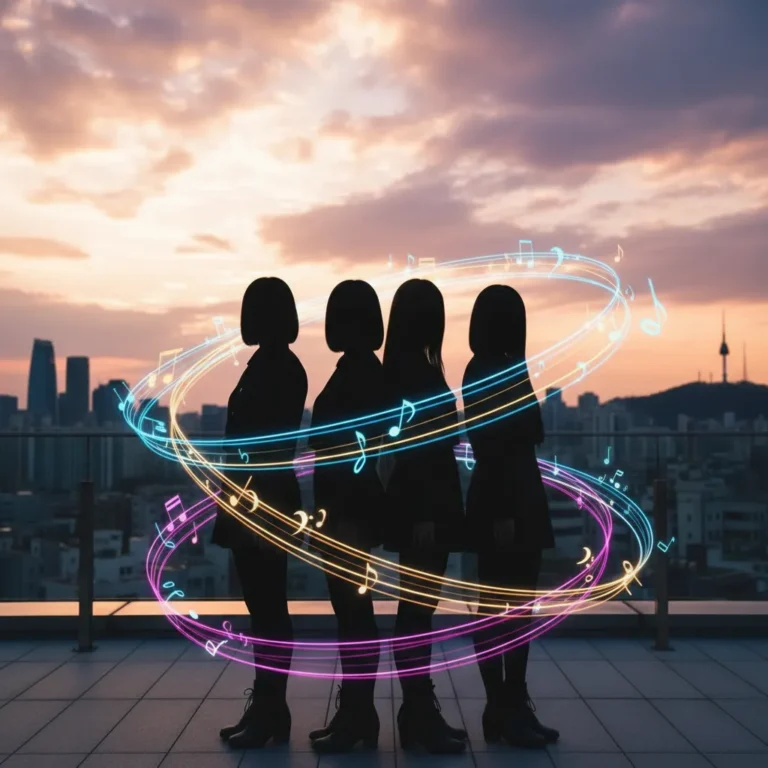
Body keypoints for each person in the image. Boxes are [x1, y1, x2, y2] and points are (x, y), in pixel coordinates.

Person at [461, 284, 559, 749]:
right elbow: (496, 443)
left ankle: (506, 706)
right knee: (509, 609)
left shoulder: (493, 368)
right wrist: (503, 511)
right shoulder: (492, 371)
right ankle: (505, 706)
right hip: (509, 499)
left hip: (513, 496)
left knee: (512, 608)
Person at [213, 277, 308, 749]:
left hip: (261, 503)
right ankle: (270, 708)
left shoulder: (280, 369)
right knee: (263, 608)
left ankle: (270, 709)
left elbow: (268, 442)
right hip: (253, 499)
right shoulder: (273, 366)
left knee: (268, 609)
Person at [382, 278, 468, 755]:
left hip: (421, 508)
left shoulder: (404, 369)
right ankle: (417, 711)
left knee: (415, 613)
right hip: (426, 511)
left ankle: (417, 710)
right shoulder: (418, 372)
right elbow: (421, 454)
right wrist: (425, 515)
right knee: (417, 614)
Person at [307, 280, 390, 753]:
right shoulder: (359, 371)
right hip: (344, 512)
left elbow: (344, 444)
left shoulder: (359, 374)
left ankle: (358, 714)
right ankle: (356, 713)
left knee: (354, 618)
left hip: (349, 514)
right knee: (353, 617)